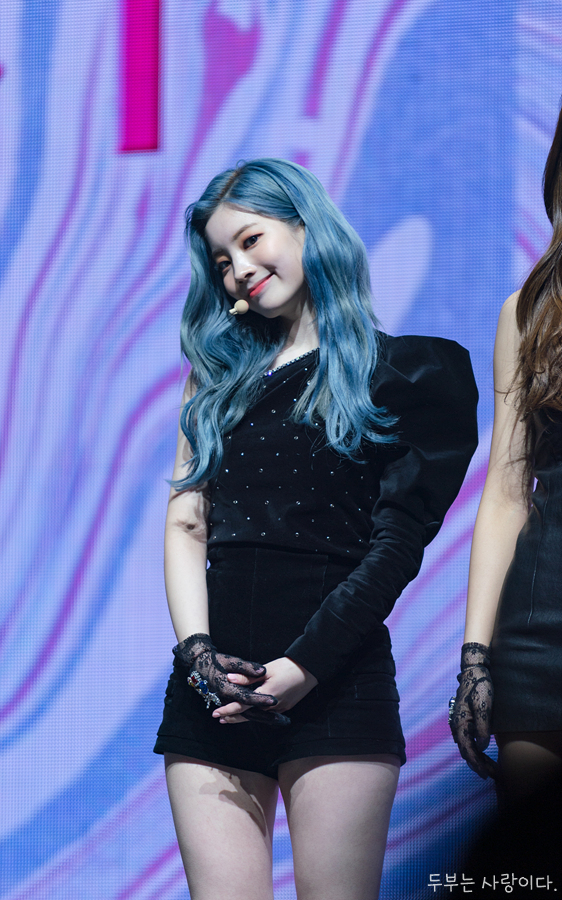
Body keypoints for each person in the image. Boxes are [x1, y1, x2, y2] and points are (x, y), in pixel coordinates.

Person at [154, 158, 478, 900]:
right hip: (214, 692)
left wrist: (302, 670)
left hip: (336, 684)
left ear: (306, 229)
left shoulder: (406, 372)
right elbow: (186, 523)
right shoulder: (216, 381)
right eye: (221, 261)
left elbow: (397, 546)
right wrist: (198, 654)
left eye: (250, 240)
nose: (238, 269)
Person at [450, 108, 562, 875]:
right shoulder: (530, 310)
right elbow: (505, 493)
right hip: (542, 629)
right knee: (535, 870)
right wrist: (475, 659)